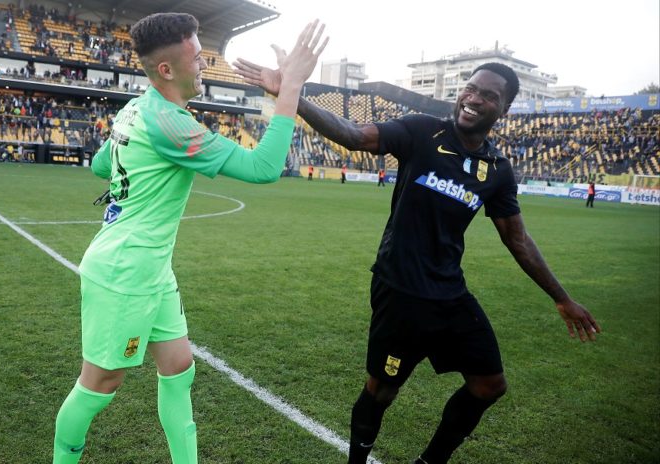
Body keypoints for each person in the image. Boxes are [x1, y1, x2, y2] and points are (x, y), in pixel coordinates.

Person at [233, 59, 601, 464]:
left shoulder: (497, 170)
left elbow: (518, 239)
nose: (473, 98)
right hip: (401, 290)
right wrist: (293, 95)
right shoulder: (423, 131)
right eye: (471, 88)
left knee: (489, 385)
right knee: (382, 391)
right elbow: (353, 135)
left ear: (505, 108)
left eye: (488, 95)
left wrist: (562, 298)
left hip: (450, 293)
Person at [52, 13, 327, 464]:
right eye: (197, 57)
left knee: (179, 368)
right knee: (100, 384)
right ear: (166, 69)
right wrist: (292, 85)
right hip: (126, 271)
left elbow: (102, 165)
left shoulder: (137, 108)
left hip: (151, 268)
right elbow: (264, 168)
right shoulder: (170, 124)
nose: (204, 64)